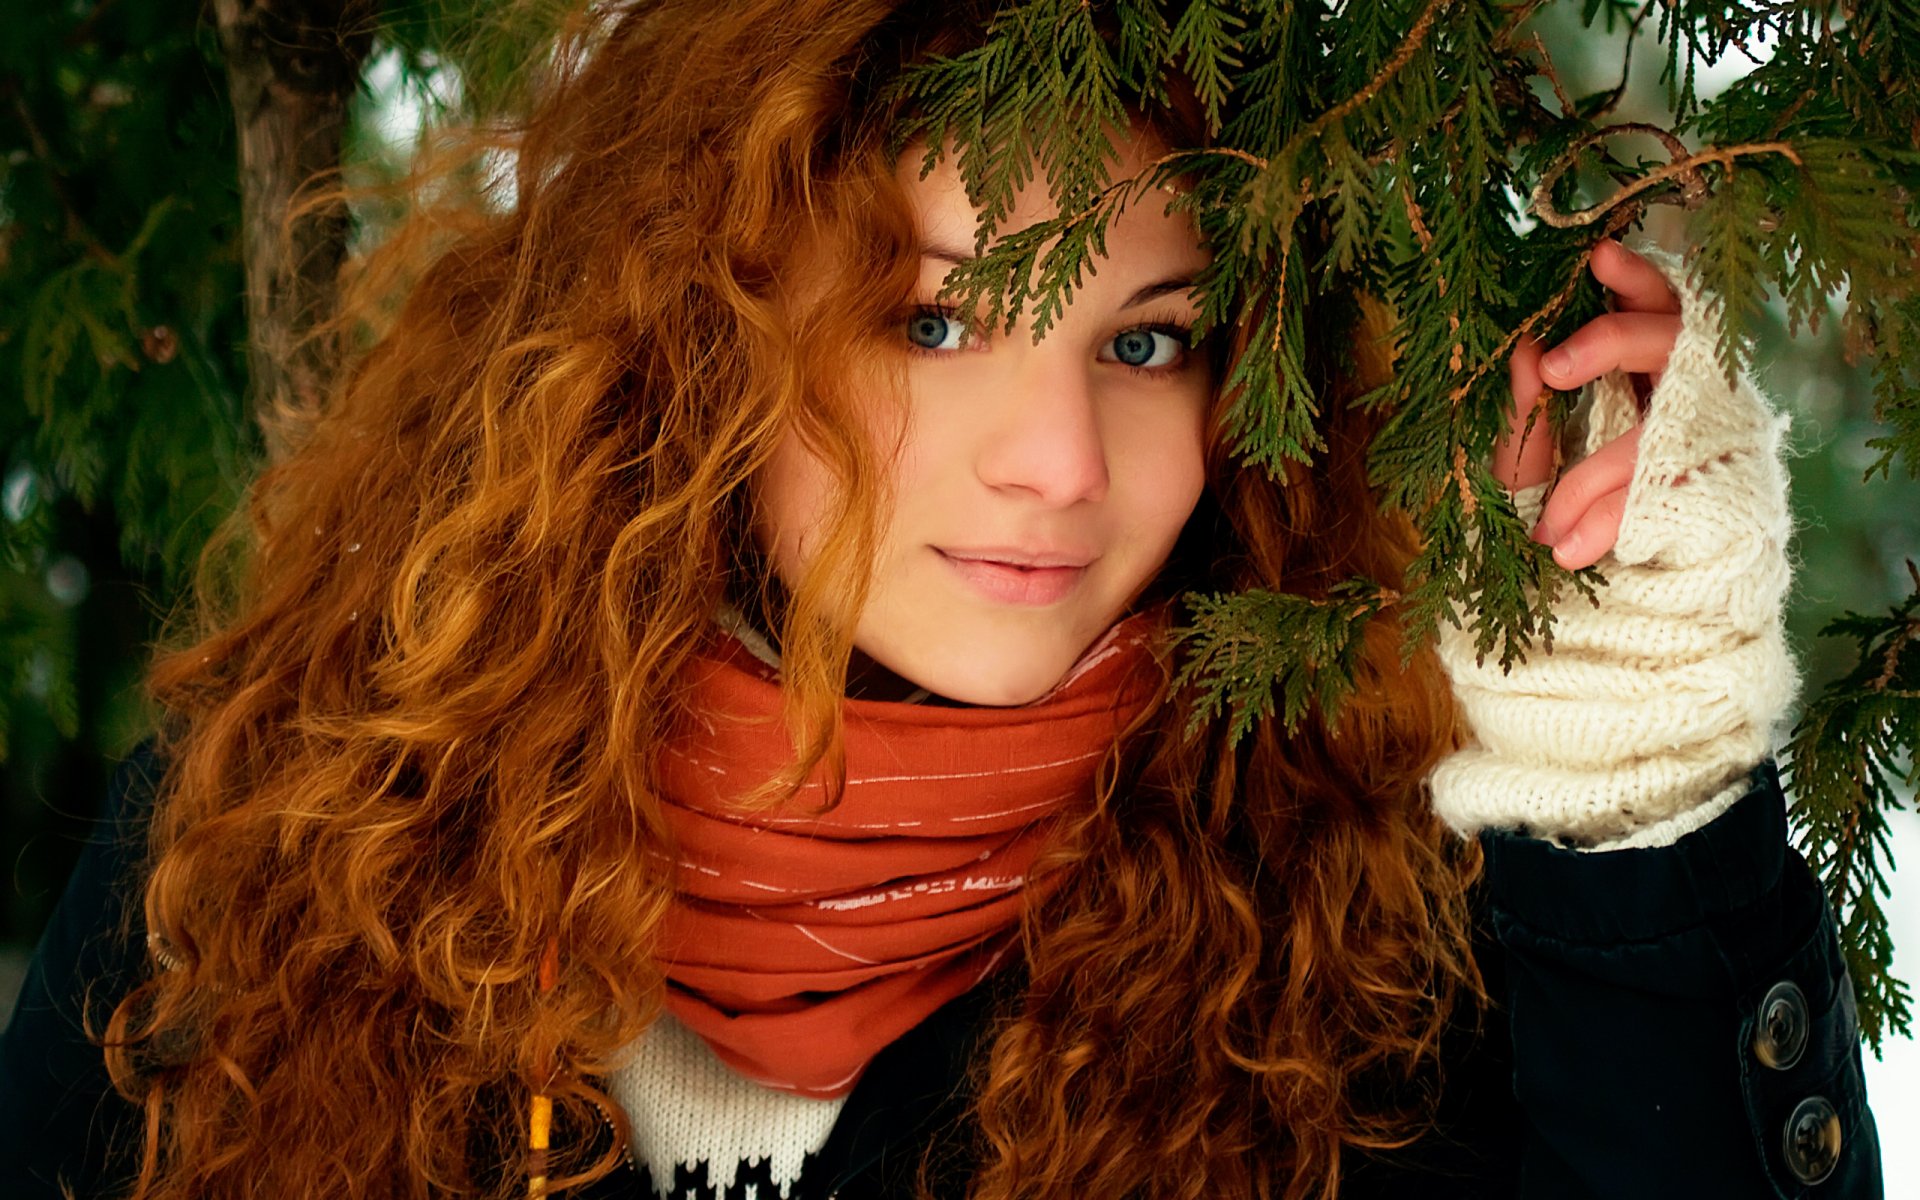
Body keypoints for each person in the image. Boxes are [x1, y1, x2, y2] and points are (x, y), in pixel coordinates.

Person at [0, 2, 1883, 1198]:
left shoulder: (1359, 922)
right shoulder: (287, 832)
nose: (1058, 460)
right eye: (929, 320)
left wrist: (1638, 785)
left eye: (1148, 339)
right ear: (695, 333)